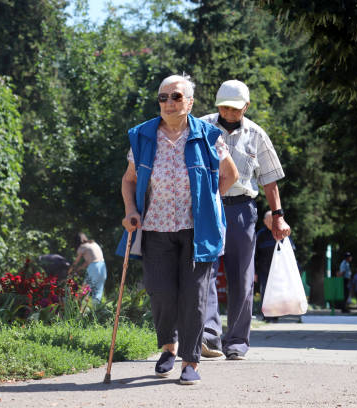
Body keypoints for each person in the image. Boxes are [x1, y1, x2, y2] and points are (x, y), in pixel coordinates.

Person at [117, 74, 238, 385]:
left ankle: (190, 360)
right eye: (163, 97)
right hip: (155, 228)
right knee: (161, 292)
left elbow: (230, 175)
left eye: (176, 97)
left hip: (198, 231)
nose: (169, 103)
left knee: (194, 296)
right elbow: (129, 179)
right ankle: (168, 348)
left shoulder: (208, 136)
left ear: (190, 102)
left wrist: (209, 202)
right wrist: (130, 210)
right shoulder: (144, 136)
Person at [200, 80, 290, 360]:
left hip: (241, 209)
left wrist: (278, 216)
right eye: (224, 107)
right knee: (205, 271)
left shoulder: (257, 134)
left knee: (242, 276)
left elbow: (270, 180)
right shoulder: (202, 126)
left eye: (235, 109)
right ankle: (209, 336)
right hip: (208, 206)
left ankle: (237, 341)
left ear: (246, 107)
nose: (229, 113)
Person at [255, 210, 295, 322]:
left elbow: (290, 250)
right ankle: (266, 315)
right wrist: (254, 272)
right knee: (265, 292)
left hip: (279, 269)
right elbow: (255, 254)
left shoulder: (281, 232)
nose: (270, 222)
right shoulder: (260, 235)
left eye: (272, 220)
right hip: (264, 269)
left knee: (278, 292)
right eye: (268, 220)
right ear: (264, 221)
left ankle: (276, 315)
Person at [69, 233, 106, 303]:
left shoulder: (82, 247)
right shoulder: (94, 244)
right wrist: (79, 269)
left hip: (93, 267)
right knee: (98, 292)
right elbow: (89, 261)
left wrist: (69, 272)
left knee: (84, 291)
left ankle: (79, 308)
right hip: (102, 266)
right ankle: (96, 309)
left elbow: (75, 263)